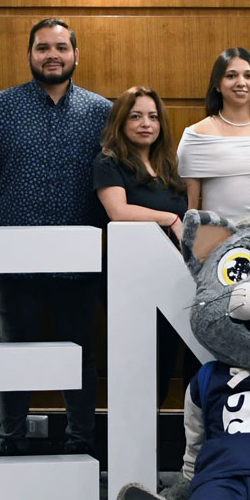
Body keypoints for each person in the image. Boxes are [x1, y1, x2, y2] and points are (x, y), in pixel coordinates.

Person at [0, 18, 112, 457]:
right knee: (15, 352)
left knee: (80, 354)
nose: (53, 55)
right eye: (43, 47)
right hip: (13, 257)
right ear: (30, 54)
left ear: (75, 54)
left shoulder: (103, 113)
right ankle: (10, 442)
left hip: (80, 261)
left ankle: (81, 445)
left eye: (61, 47)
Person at [93, 86, 196, 405]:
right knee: (137, 361)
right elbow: (118, 211)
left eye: (152, 117)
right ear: (121, 122)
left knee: (165, 358)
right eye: (136, 116)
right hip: (128, 278)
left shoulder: (168, 164)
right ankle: (129, 433)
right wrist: (169, 218)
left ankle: (154, 430)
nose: (146, 124)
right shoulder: (109, 162)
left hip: (169, 275)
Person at [177, 48, 250, 220]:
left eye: (249, 76)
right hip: (217, 233)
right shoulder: (196, 135)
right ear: (217, 84)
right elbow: (189, 210)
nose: (241, 82)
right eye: (231, 76)